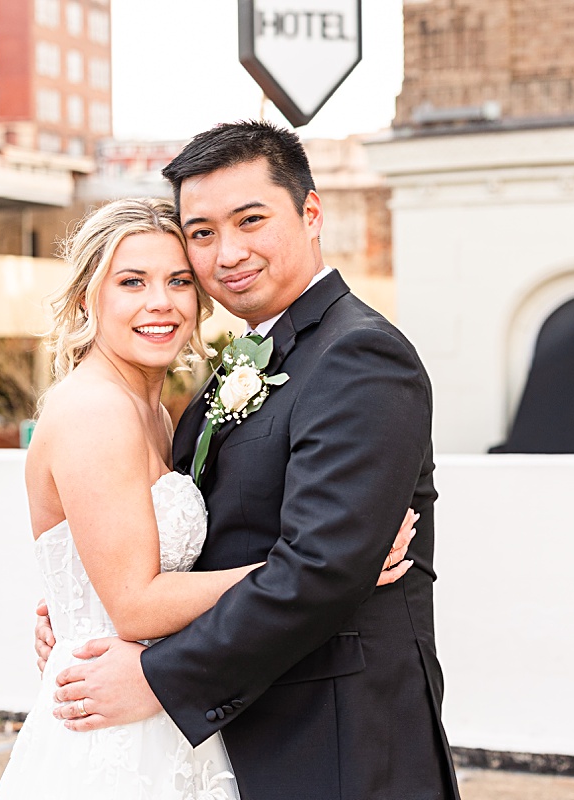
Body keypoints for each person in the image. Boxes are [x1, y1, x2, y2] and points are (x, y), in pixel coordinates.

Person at [42, 122, 461, 800]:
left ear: (312, 212)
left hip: (339, 741)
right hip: (242, 736)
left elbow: (320, 571)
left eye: (250, 220)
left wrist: (155, 675)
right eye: (202, 233)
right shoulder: (225, 375)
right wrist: (78, 610)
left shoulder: (359, 357)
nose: (227, 252)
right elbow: (184, 550)